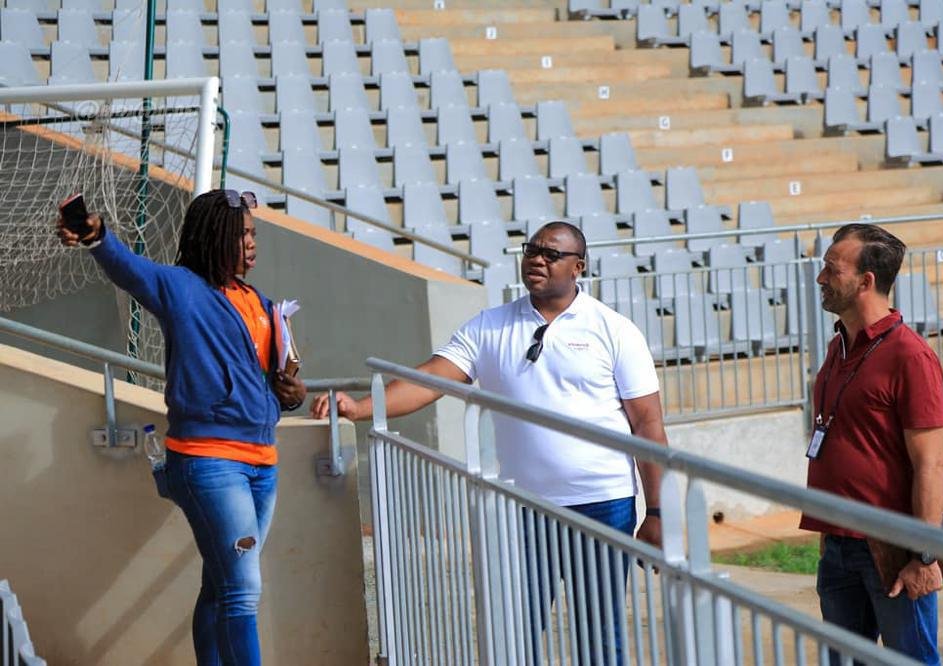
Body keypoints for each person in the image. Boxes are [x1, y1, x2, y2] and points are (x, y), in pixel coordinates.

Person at [312, 221, 668, 665]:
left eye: (551, 254)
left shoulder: (613, 329)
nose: (537, 259)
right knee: (515, 632)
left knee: (599, 635)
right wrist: (362, 408)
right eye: (531, 250)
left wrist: (656, 511)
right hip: (522, 508)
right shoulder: (492, 326)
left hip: (601, 505)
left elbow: (648, 423)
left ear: (578, 267)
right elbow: (431, 378)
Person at [57, 189, 307, 666]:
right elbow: (130, 269)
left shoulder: (260, 301)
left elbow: (280, 382)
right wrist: (97, 236)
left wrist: (291, 395)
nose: (252, 244)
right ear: (214, 237)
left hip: (262, 462)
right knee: (242, 588)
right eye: (242, 235)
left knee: (220, 584)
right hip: (209, 461)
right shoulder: (180, 288)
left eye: (254, 235)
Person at [799, 224, 943, 665]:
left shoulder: (910, 356)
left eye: (832, 269)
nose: (822, 278)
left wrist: (924, 555)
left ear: (866, 281)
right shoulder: (838, 347)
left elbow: (931, 464)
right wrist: (831, 534)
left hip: (893, 550)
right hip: (840, 544)